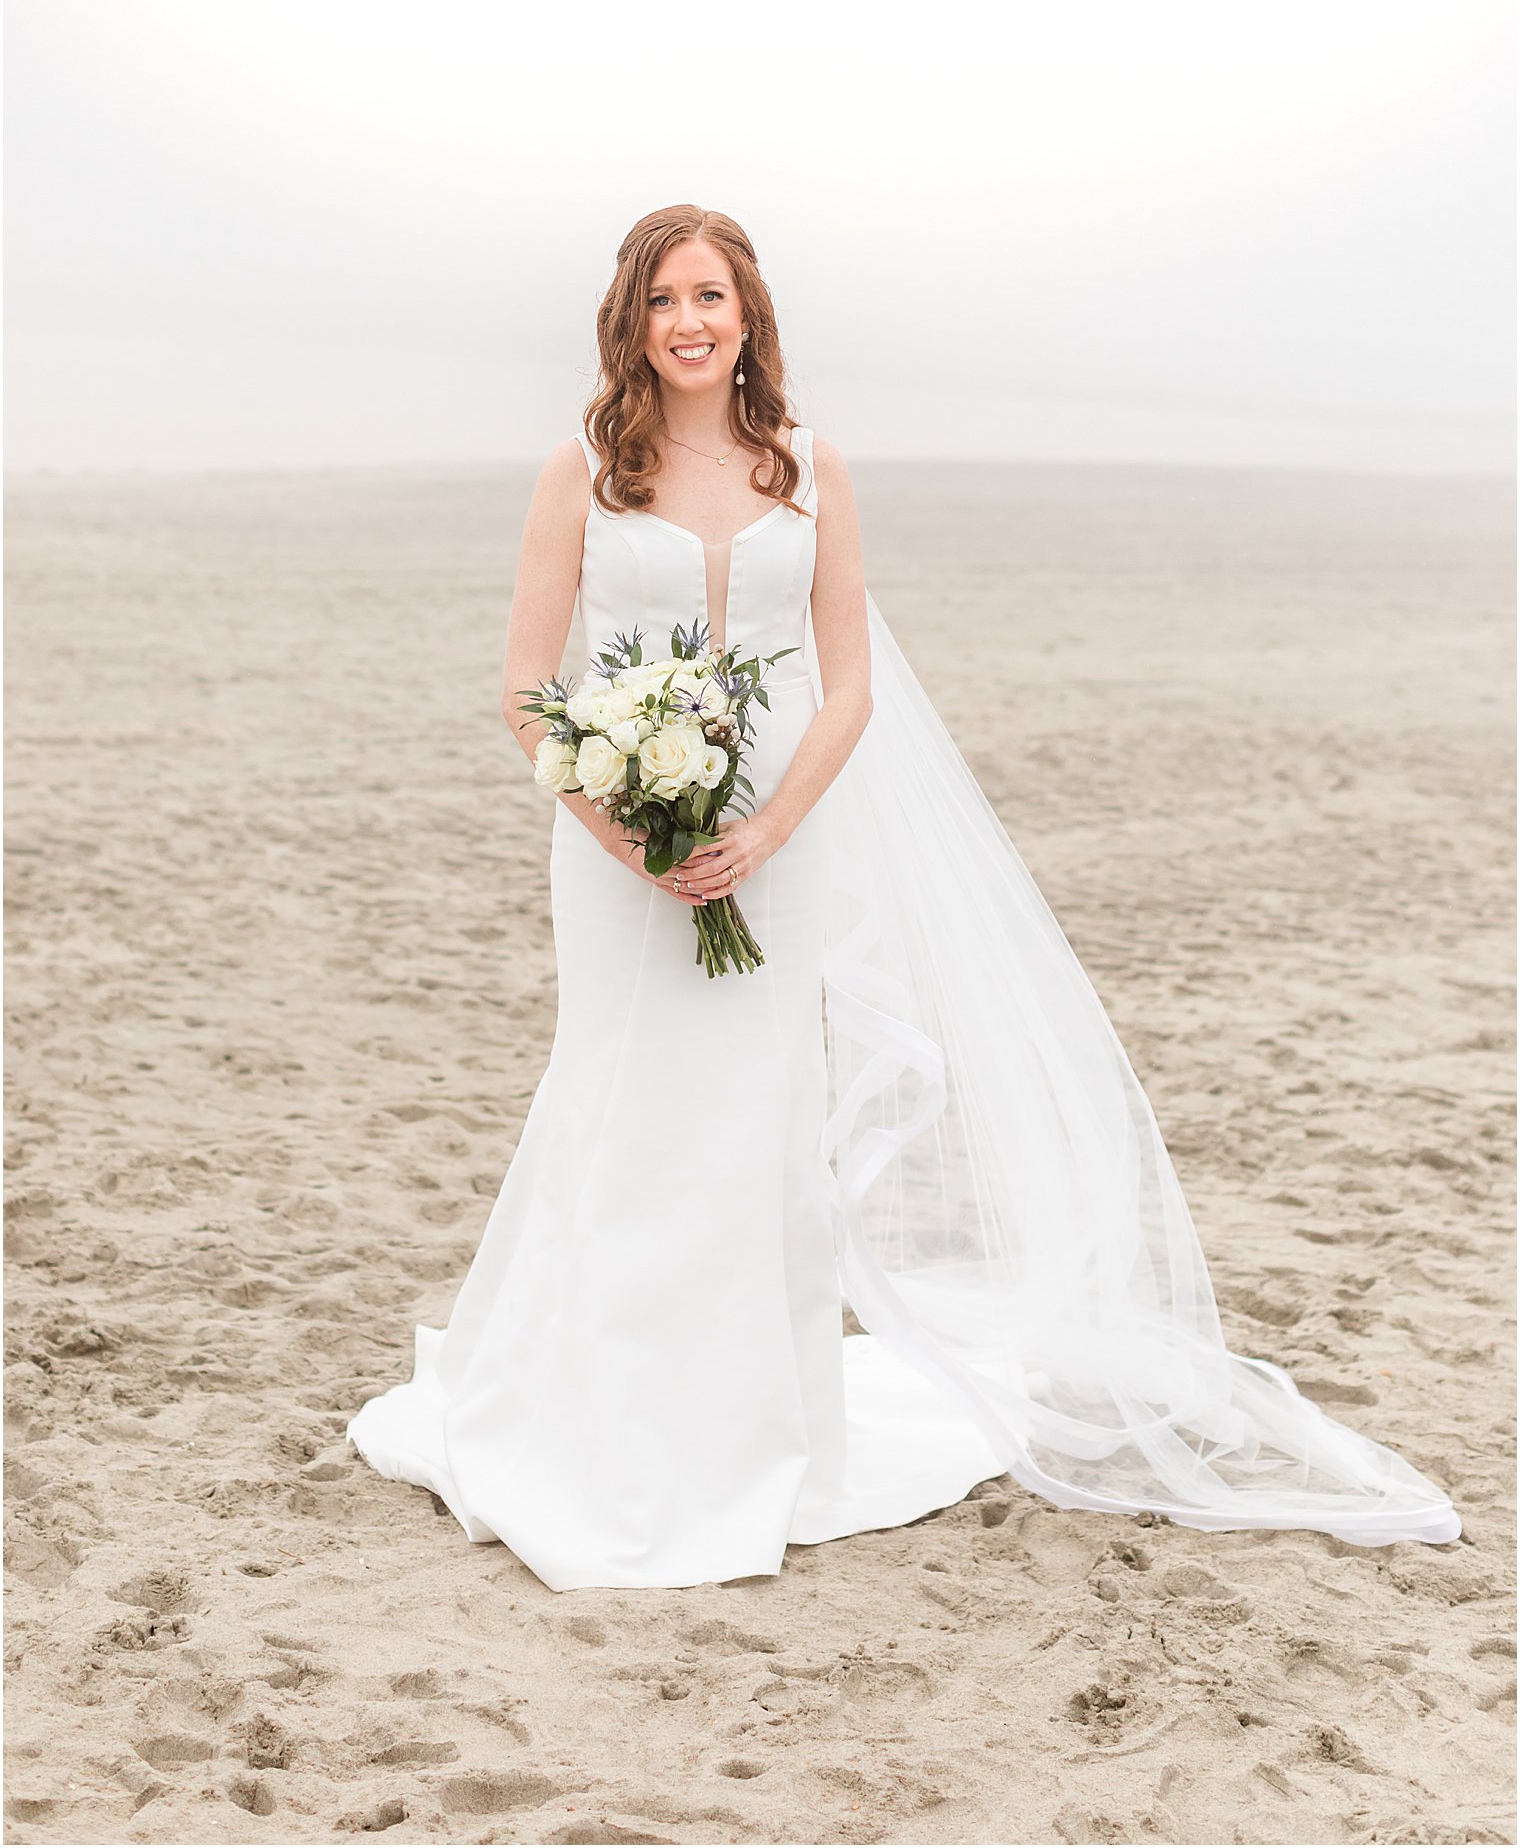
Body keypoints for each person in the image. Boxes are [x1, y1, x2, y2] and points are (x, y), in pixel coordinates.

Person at [346, 204, 1461, 1592]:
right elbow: (526, 690)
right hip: (617, 851)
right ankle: (601, 1411)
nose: (689, 321)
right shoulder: (582, 470)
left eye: (713, 295)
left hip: (781, 837)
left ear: (748, 314)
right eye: (663, 299)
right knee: (621, 1096)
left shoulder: (809, 467)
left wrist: (761, 832)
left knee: (758, 1112)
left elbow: (850, 680)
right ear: (631, 319)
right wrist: (626, 827)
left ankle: (759, 1419)